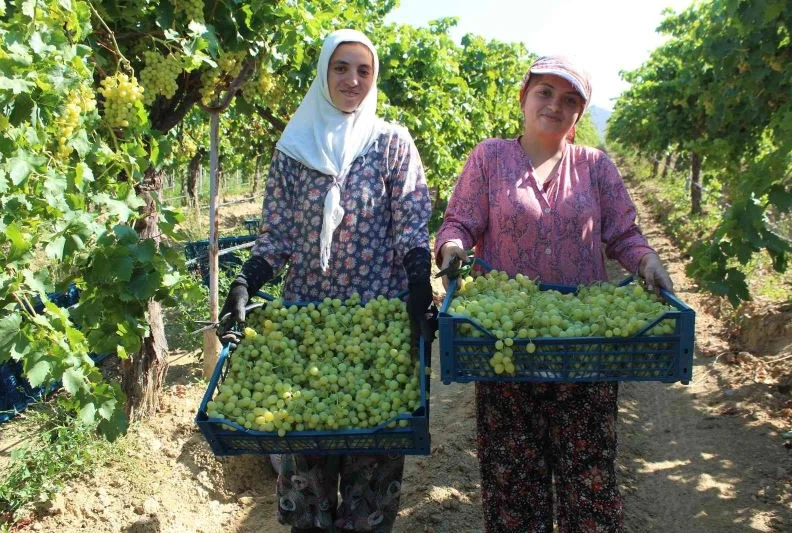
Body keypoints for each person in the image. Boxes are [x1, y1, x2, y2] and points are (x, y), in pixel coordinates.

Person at [435, 55, 674, 532]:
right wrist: (453, 247)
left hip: (584, 349)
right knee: (513, 486)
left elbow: (624, 234)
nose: (554, 105)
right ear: (524, 98)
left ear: (579, 114)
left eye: (568, 100)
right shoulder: (489, 158)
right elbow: (458, 221)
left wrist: (646, 260)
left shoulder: (595, 166)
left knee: (590, 484)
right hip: (506, 349)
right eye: (544, 93)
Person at [217, 29, 433, 533]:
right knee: (307, 487)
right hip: (306, 329)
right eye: (341, 67)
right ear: (323, 73)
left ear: (374, 77)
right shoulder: (295, 149)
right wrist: (246, 281)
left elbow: (410, 226)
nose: (352, 79)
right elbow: (276, 236)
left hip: (378, 331)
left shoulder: (391, 143)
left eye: (364, 70)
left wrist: (419, 282)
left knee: (370, 486)